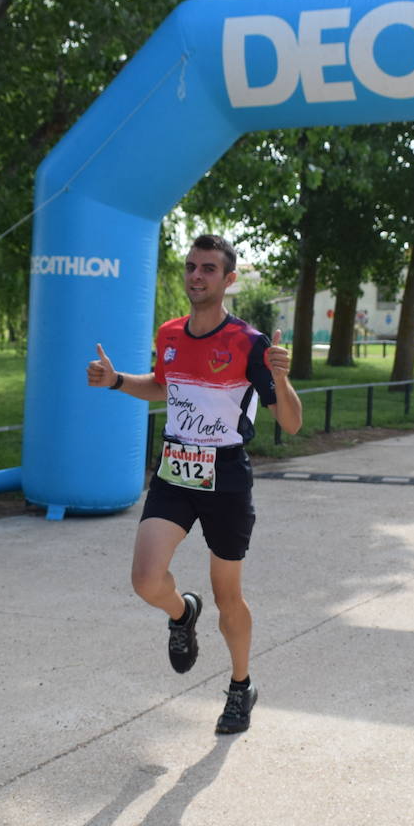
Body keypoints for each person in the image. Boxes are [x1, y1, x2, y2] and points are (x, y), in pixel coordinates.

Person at [87, 234, 303, 734]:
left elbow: (290, 424)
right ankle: (182, 614)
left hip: (225, 475)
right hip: (176, 467)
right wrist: (118, 381)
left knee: (228, 595)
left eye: (208, 269)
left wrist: (282, 378)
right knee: (145, 579)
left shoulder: (250, 344)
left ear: (228, 280)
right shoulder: (169, 333)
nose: (196, 276)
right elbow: (163, 386)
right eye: (190, 267)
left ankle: (240, 686)